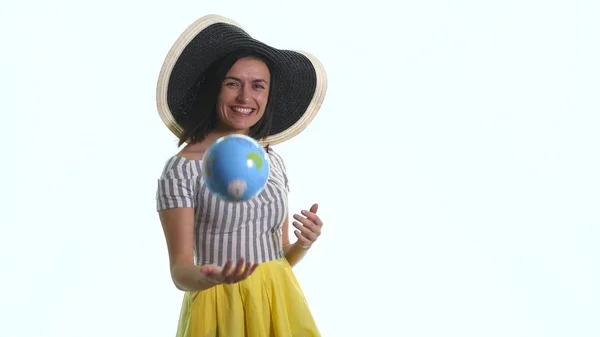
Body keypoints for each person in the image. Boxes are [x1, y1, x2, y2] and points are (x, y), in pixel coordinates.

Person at [154, 14, 328, 337]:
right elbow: (180, 271)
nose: (245, 98)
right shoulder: (182, 169)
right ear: (214, 88)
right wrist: (213, 276)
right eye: (233, 83)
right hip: (218, 309)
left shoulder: (270, 160)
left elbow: (280, 255)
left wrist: (303, 244)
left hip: (279, 301)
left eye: (258, 86)